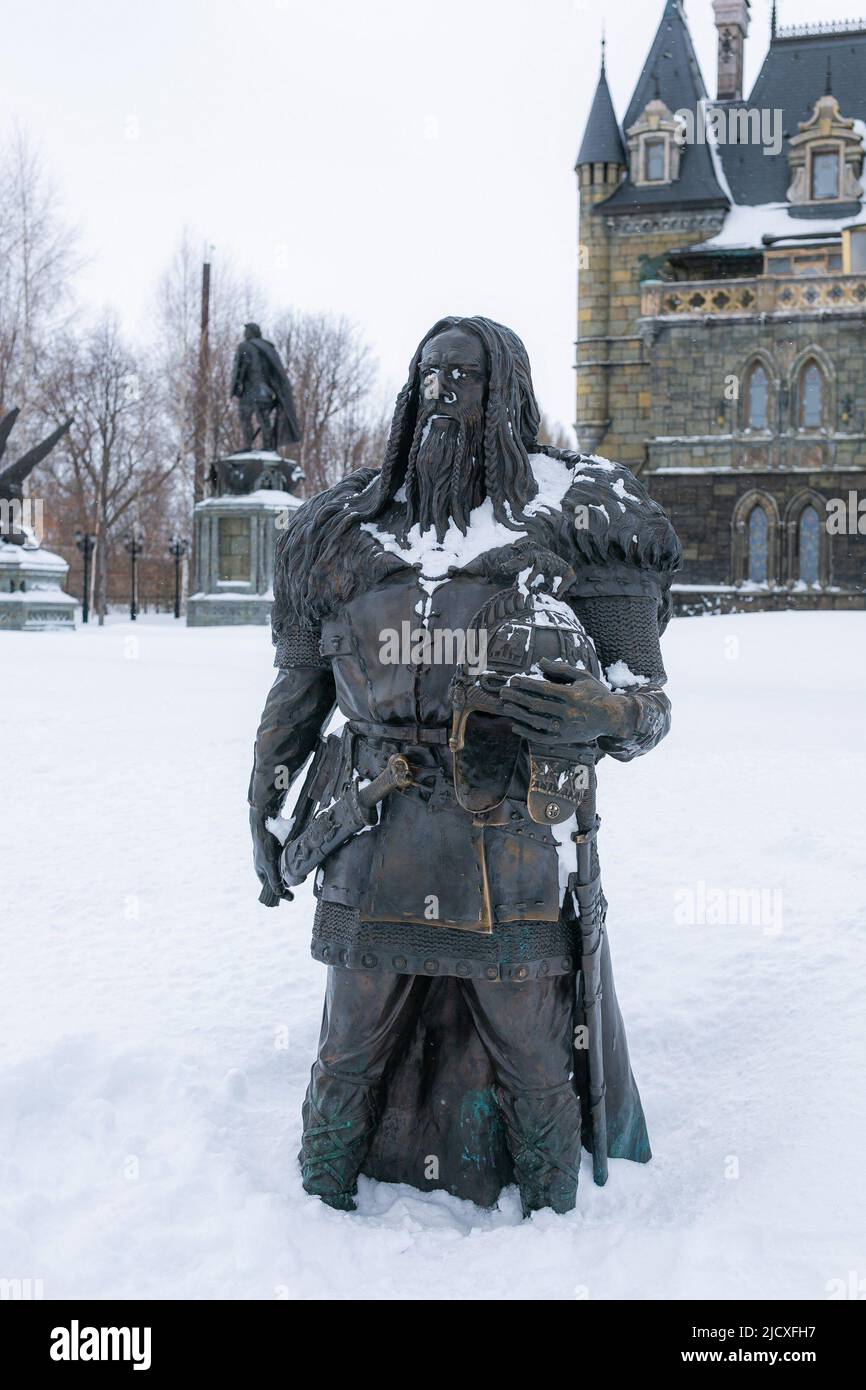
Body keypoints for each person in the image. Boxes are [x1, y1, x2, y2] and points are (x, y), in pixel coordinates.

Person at [249, 316, 680, 1215]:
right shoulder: (339, 525)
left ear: (507, 395)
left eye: (468, 378)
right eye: (433, 375)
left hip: (510, 839)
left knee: (532, 1053)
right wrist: (264, 793)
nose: (448, 394)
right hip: (371, 833)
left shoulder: (585, 511)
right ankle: (317, 1217)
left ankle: (558, 1224)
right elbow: (299, 689)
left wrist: (602, 712)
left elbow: (647, 702)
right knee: (348, 1047)